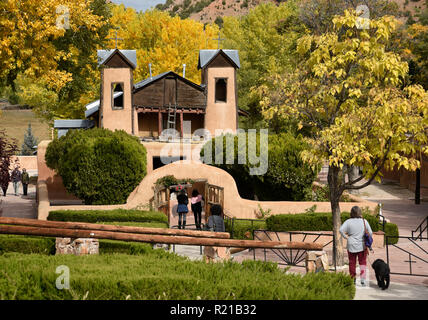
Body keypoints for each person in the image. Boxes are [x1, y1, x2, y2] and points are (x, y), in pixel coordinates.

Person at [339, 206, 373, 285]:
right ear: (360, 212)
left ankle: (352, 278)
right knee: (362, 262)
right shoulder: (364, 221)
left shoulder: (348, 221)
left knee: (352, 262)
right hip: (362, 245)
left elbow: (341, 230)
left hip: (351, 245)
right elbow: (370, 232)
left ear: (351, 213)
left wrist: (346, 237)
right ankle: (363, 279)